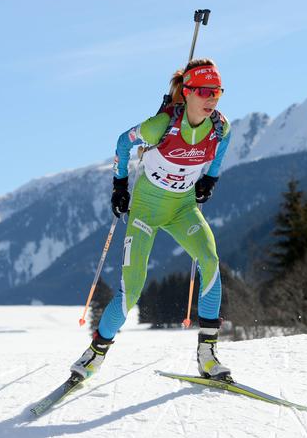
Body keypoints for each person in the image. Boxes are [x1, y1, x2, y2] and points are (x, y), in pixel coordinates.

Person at [70, 58, 232, 381]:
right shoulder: (161, 126)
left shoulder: (219, 126)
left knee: (211, 262)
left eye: (217, 91)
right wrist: (119, 184)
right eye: (203, 91)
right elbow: (122, 141)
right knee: (131, 289)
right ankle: (95, 353)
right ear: (186, 93)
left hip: (182, 209)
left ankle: (208, 356)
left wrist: (210, 179)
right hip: (145, 210)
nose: (211, 98)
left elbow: (225, 142)